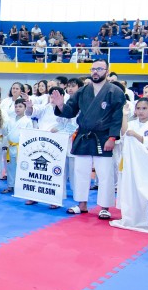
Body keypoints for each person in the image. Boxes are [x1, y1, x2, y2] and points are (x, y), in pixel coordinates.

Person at [52, 60, 125, 219]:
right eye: (93, 69)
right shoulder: (82, 91)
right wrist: (61, 105)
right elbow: (71, 111)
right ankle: (82, 204)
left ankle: (104, 207)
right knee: (81, 172)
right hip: (84, 135)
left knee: (105, 173)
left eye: (99, 69)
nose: (95, 72)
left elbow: (117, 117)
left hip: (103, 136)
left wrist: (112, 137)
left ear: (107, 71)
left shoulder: (115, 91)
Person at [2, 98, 33, 194]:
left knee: (21, 168)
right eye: (16, 106)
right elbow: (5, 133)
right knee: (10, 167)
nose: (17, 108)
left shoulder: (27, 121)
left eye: (20, 106)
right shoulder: (10, 120)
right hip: (11, 146)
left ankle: (20, 187)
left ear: (25, 108)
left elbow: (29, 136)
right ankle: (10, 186)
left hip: (21, 148)